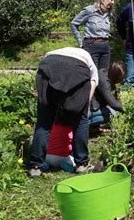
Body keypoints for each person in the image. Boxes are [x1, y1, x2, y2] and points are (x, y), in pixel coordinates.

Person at [28, 47, 98, 177]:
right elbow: (93, 83)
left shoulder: (55, 51)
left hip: (48, 65)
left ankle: (35, 167)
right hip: (77, 70)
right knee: (80, 120)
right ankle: (82, 164)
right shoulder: (90, 63)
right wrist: (84, 106)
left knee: (44, 122)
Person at [70, 0, 118, 69]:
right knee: (92, 74)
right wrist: (80, 41)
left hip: (105, 47)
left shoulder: (109, 13)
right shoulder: (89, 11)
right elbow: (74, 23)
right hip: (91, 46)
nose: (113, 2)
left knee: (103, 76)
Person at [89, 62, 125, 128]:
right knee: (113, 114)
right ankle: (83, 126)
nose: (121, 80)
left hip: (94, 106)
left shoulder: (105, 73)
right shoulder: (103, 81)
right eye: (120, 78)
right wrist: (127, 109)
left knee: (112, 113)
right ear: (115, 76)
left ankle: (93, 127)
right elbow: (112, 103)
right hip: (90, 108)